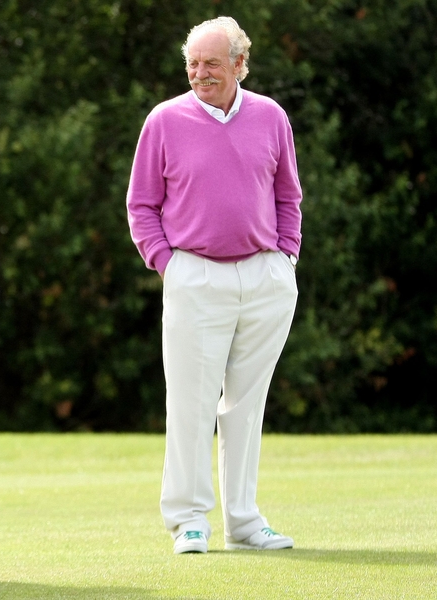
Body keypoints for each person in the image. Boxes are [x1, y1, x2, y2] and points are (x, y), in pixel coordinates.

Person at [126, 16, 302, 554]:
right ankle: (188, 520)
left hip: (265, 274)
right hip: (194, 274)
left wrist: (287, 257)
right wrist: (168, 264)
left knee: (247, 405)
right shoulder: (164, 120)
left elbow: (288, 195)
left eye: (211, 64)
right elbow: (141, 205)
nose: (200, 73)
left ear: (240, 65)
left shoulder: (271, 116)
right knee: (191, 404)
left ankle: (243, 522)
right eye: (193, 63)